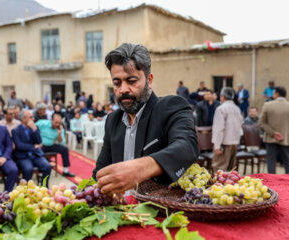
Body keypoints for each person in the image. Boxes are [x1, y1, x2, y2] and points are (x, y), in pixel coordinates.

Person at [92, 43, 198, 195]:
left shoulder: (171, 107)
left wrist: (141, 168)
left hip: (159, 213)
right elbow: (100, 172)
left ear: (149, 80)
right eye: (117, 83)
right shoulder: (113, 121)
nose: (123, 89)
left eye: (132, 81)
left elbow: (187, 146)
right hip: (119, 213)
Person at [12, 110, 52, 185]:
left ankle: (44, 187)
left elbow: (39, 141)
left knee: (47, 167)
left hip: (36, 154)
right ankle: (27, 190)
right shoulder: (15, 130)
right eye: (31, 117)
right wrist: (34, 146)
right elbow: (19, 146)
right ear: (23, 119)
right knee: (28, 169)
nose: (33, 119)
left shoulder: (35, 127)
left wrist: (35, 130)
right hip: (23, 156)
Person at [211, 87, 243, 172]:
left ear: (222, 97)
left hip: (223, 144)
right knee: (230, 171)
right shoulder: (237, 109)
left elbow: (219, 128)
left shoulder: (221, 109)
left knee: (219, 170)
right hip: (234, 143)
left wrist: (217, 146)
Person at [259, 86, 289, 173]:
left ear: (277, 94)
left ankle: (271, 182)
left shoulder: (267, 105)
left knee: (271, 161)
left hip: (271, 138)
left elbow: (261, 123)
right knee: (287, 161)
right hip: (286, 138)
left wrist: (274, 133)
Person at [36, 113, 75, 177]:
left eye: (59, 123)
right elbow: (32, 128)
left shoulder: (60, 128)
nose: (57, 124)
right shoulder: (42, 123)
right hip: (41, 145)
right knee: (37, 151)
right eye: (55, 122)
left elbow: (62, 142)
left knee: (64, 149)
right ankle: (41, 170)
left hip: (51, 145)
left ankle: (65, 170)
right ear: (51, 120)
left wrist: (59, 134)